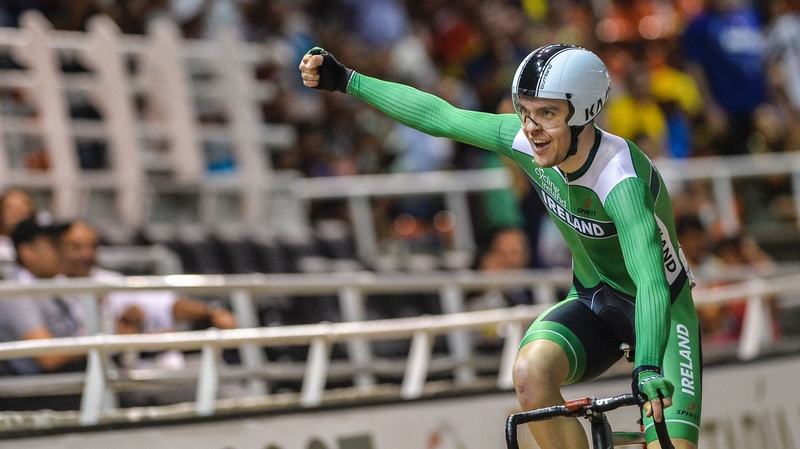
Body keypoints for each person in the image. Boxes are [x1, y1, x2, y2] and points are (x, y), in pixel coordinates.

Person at [299, 44, 701, 448]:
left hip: (662, 313)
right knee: (529, 373)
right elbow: (440, 117)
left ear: (583, 113)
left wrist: (648, 365)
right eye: (524, 111)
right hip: (594, 299)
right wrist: (349, 81)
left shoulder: (618, 179)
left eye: (547, 114)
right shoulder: (526, 142)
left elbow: (650, 282)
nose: (531, 128)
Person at [58, 221, 237, 339]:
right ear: (57, 248)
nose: (87, 254)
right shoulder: (48, 287)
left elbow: (166, 305)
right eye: (76, 247)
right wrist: (113, 334)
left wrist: (212, 312)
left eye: (92, 247)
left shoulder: (110, 280)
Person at [0, 215, 85, 375]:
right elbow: (48, 357)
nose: (62, 252)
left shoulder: (52, 284)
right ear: (27, 252)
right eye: (54, 245)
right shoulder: (17, 292)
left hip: (66, 380)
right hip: (37, 390)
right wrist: (98, 342)